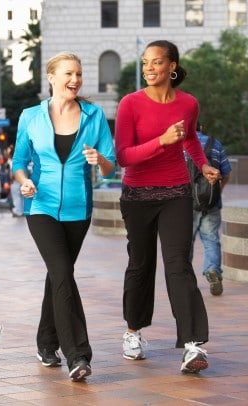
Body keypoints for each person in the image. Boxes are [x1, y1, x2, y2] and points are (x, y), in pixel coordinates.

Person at [114, 40, 220, 374]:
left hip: (176, 191)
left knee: (179, 264)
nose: (148, 69)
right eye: (145, 63)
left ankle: (191, 344)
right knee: (141, 265)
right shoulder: (130, 104)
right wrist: (161, 141)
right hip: (138, 195)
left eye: (156, 63)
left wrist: (202, 165)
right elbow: (123, 156)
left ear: (171, 66)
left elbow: (189, 139)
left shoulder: (188, 103)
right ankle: (133, 331)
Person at [12, 52, 116, 382]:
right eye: (69, 73)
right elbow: (17, 163)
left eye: (79, 74)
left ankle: (46, 342)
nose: (76, 79)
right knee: (61, 271)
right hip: (40, 206)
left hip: (78, 209)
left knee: (60, 274)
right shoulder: (30, 116)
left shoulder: (94, 115)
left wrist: (98, 158)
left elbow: (111, 165)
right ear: (52, 77)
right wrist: (24, 181)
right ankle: (78, 355)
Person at [190, 123, 232, 296]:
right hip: (211, 202)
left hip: (187, 203)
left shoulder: (179, 146)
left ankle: (185, 280)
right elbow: (227, 173)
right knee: (211, 240)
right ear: (201, 126)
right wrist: (217, 193)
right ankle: (212, 269)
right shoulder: (216, 144)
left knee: (185, 242)